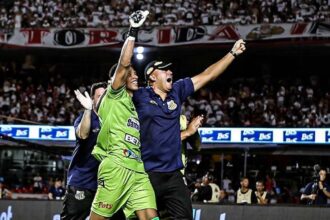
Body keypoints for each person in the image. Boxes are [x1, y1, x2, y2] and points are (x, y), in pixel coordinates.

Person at [133, 39, 246, 219]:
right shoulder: (139, 96)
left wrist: (231, 54)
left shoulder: (176, 91)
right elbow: (117, 88)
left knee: (185, 217)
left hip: (173, 175)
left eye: (170, 69)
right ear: (152, 77)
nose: (170, 71)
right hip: (147, 174)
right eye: (164, 69)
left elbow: (207, 75)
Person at [90, 10, 159, 220]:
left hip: (137, 167)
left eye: (136, 73)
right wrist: (133, 31)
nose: (136, 76)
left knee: (150, 216)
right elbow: (123, 63)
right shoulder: (114, 96)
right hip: (117, 165)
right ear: (117, 79)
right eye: (131, 74)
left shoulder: (131, 104)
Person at [61, 82, 126, 220]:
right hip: (82, 183)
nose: (103, 98)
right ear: (92, 99)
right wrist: (87, 110)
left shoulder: (115, 119)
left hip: (108, 185)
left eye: (106, 95)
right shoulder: (86, 117)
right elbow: (83, 134)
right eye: (99, 95)